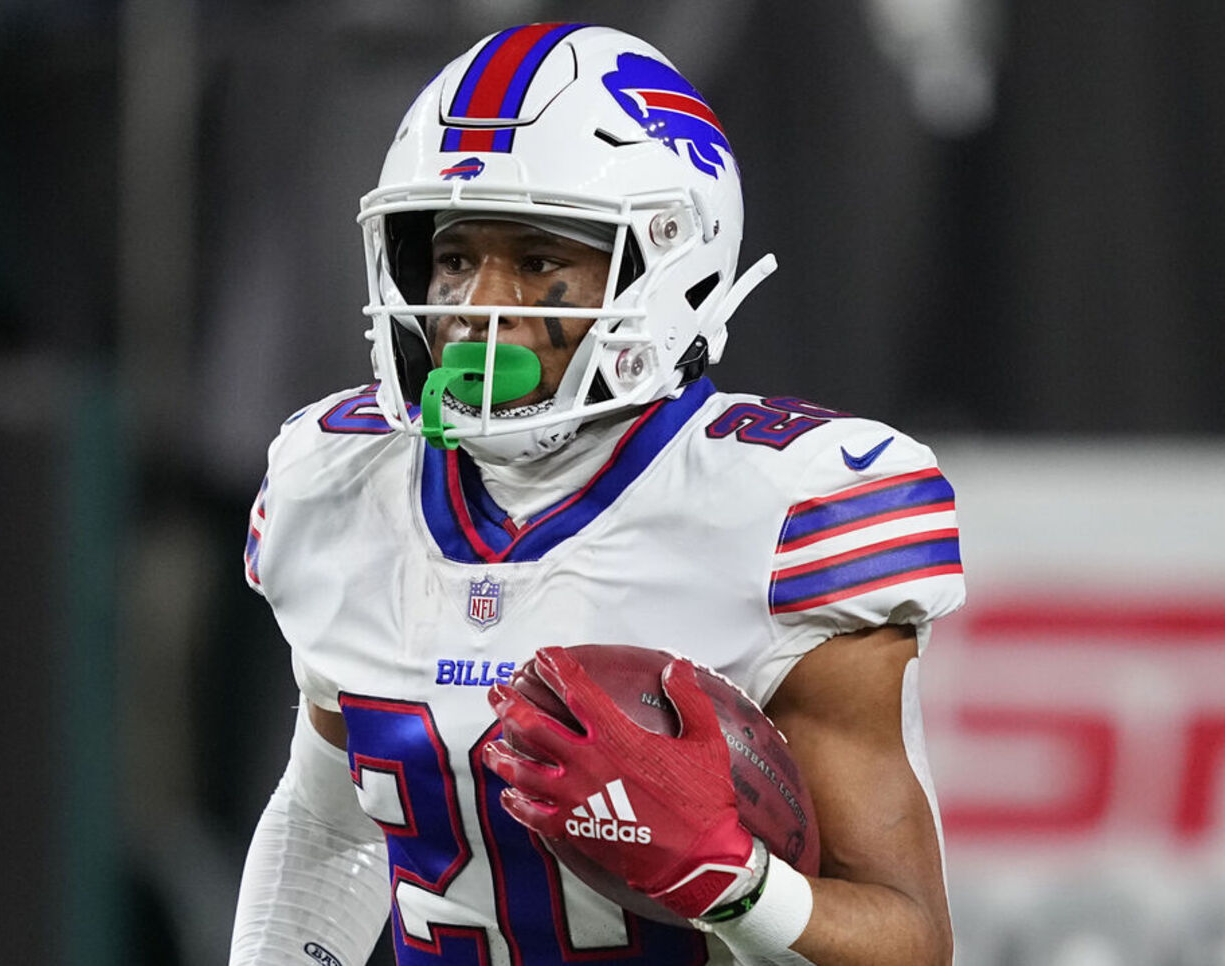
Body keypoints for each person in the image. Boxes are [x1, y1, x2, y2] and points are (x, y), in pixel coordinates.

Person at [229, 22, 964, 966]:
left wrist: (737, 884)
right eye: (454, 258)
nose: (476, 306)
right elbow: (332, 830)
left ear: (668, 268)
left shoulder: (788, 513)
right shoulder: (335, 484)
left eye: (540, 262)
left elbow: (913, 943)